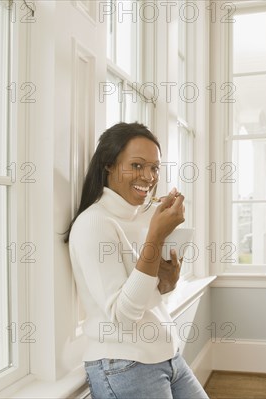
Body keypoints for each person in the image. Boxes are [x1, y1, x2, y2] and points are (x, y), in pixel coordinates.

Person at [65, 122, 209, 399]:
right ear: (109, 164)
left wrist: (166, 283)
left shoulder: (142, 216)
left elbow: (144, 297)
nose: (148, 176)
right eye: (137, 165)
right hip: (124, 366)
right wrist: (156, 236)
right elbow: (122, 316)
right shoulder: (94, 223)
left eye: (154, 168)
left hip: (168, 356)